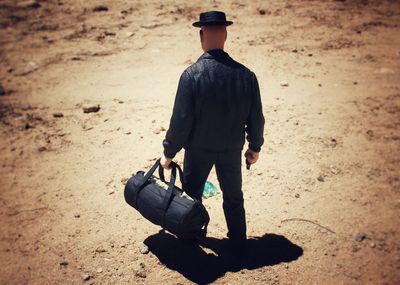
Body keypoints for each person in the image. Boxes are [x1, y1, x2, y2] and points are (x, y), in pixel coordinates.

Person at [160, 11, 265, 255]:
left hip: (198, 149)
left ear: (201, 36)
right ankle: (239, 243)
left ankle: (190, 239)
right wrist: (255, 147)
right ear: (225, 36)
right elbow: (256, 117)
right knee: (233, 197)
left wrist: (169, 151)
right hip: (231, 148)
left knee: (192, 196)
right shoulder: (246, 76)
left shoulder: (191, 75)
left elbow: (181, 120)